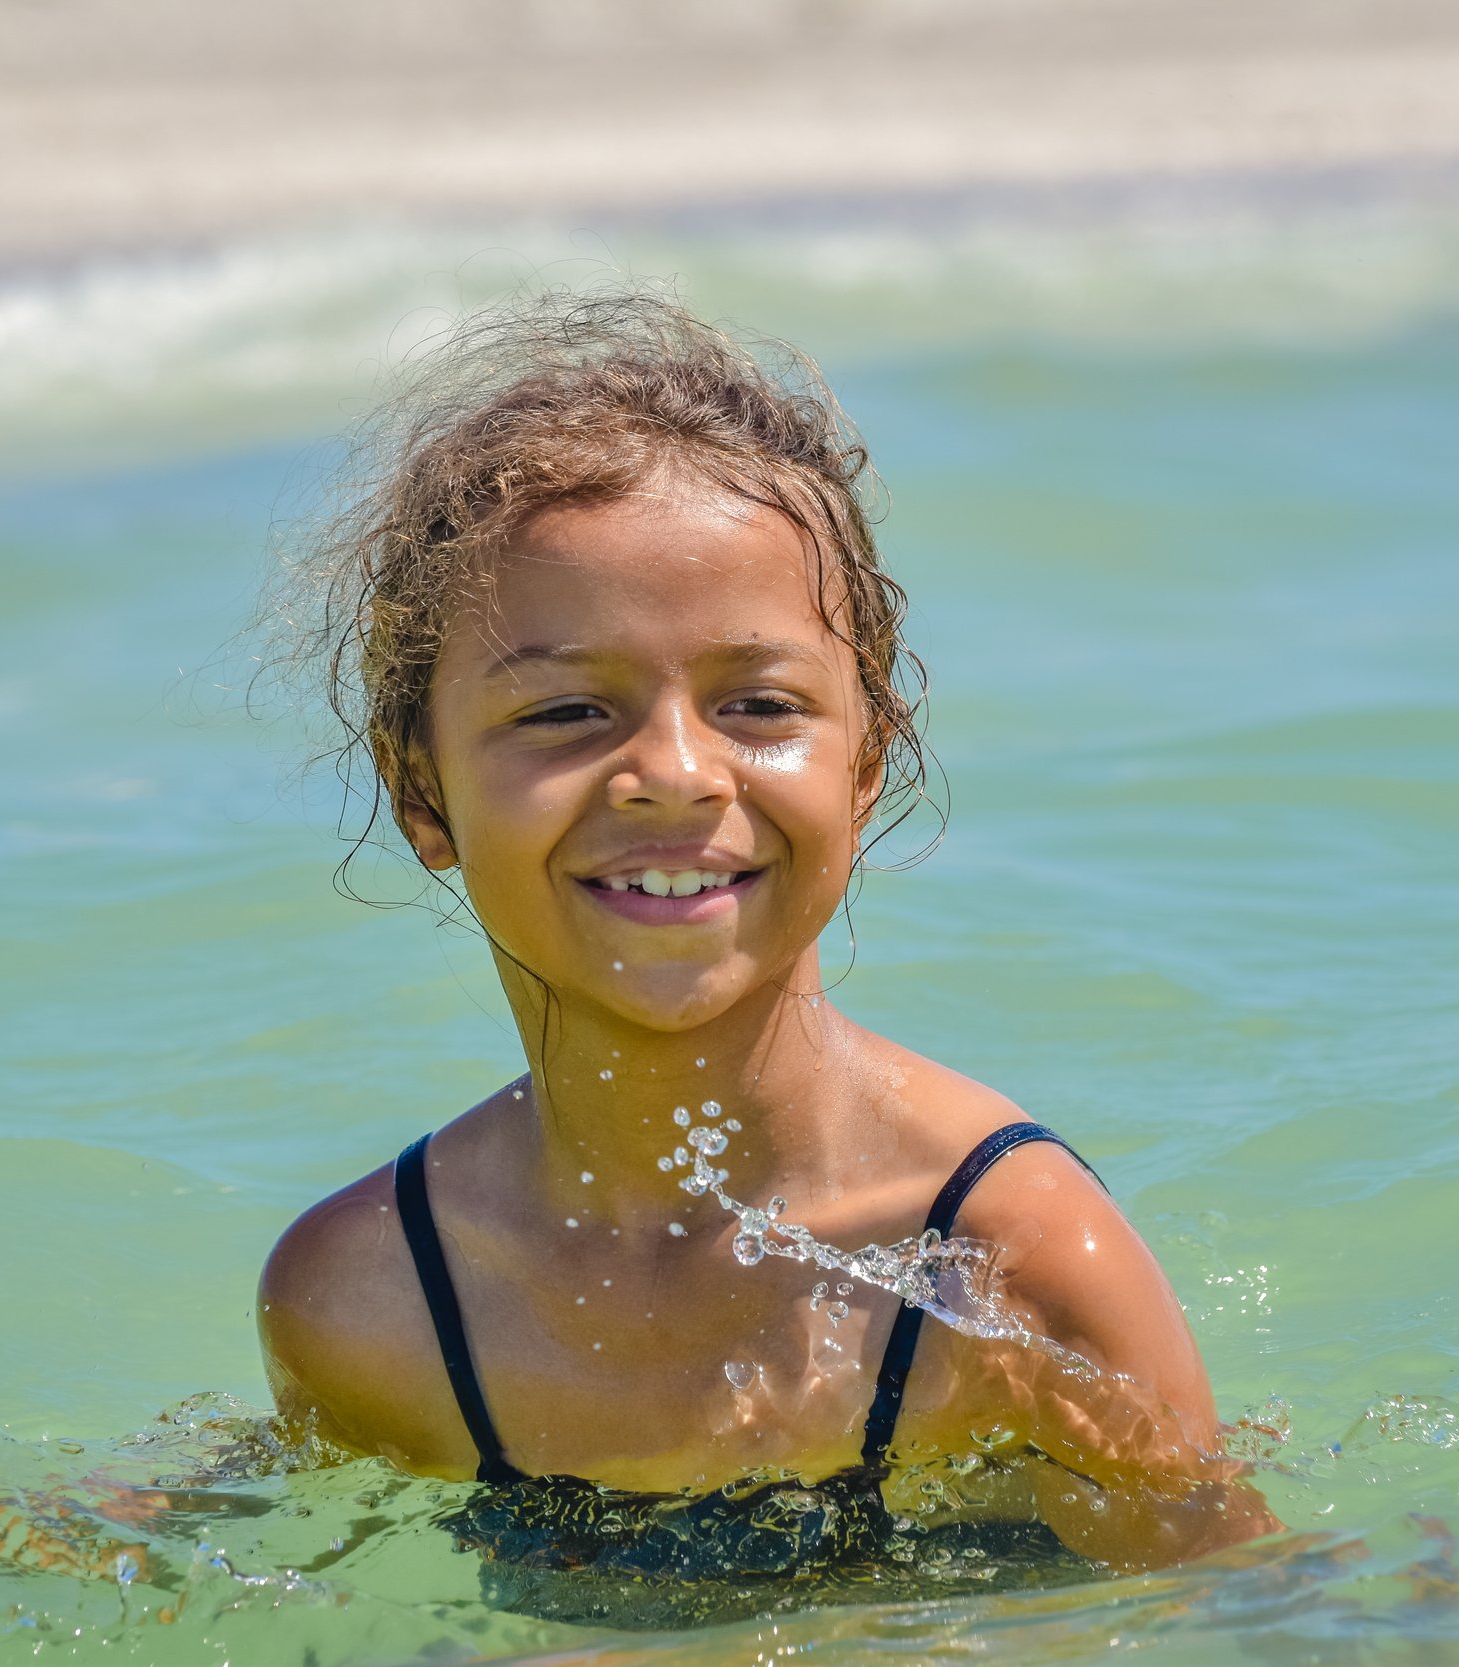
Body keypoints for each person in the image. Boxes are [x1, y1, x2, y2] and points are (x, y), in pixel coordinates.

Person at [255, 289, 1276, 1609]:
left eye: (758, 704)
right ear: (421, 793)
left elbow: (1252, 1606)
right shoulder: (376, 1300)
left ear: (867, 763)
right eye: (564, 712)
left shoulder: (999, 1265)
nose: (676, 772)